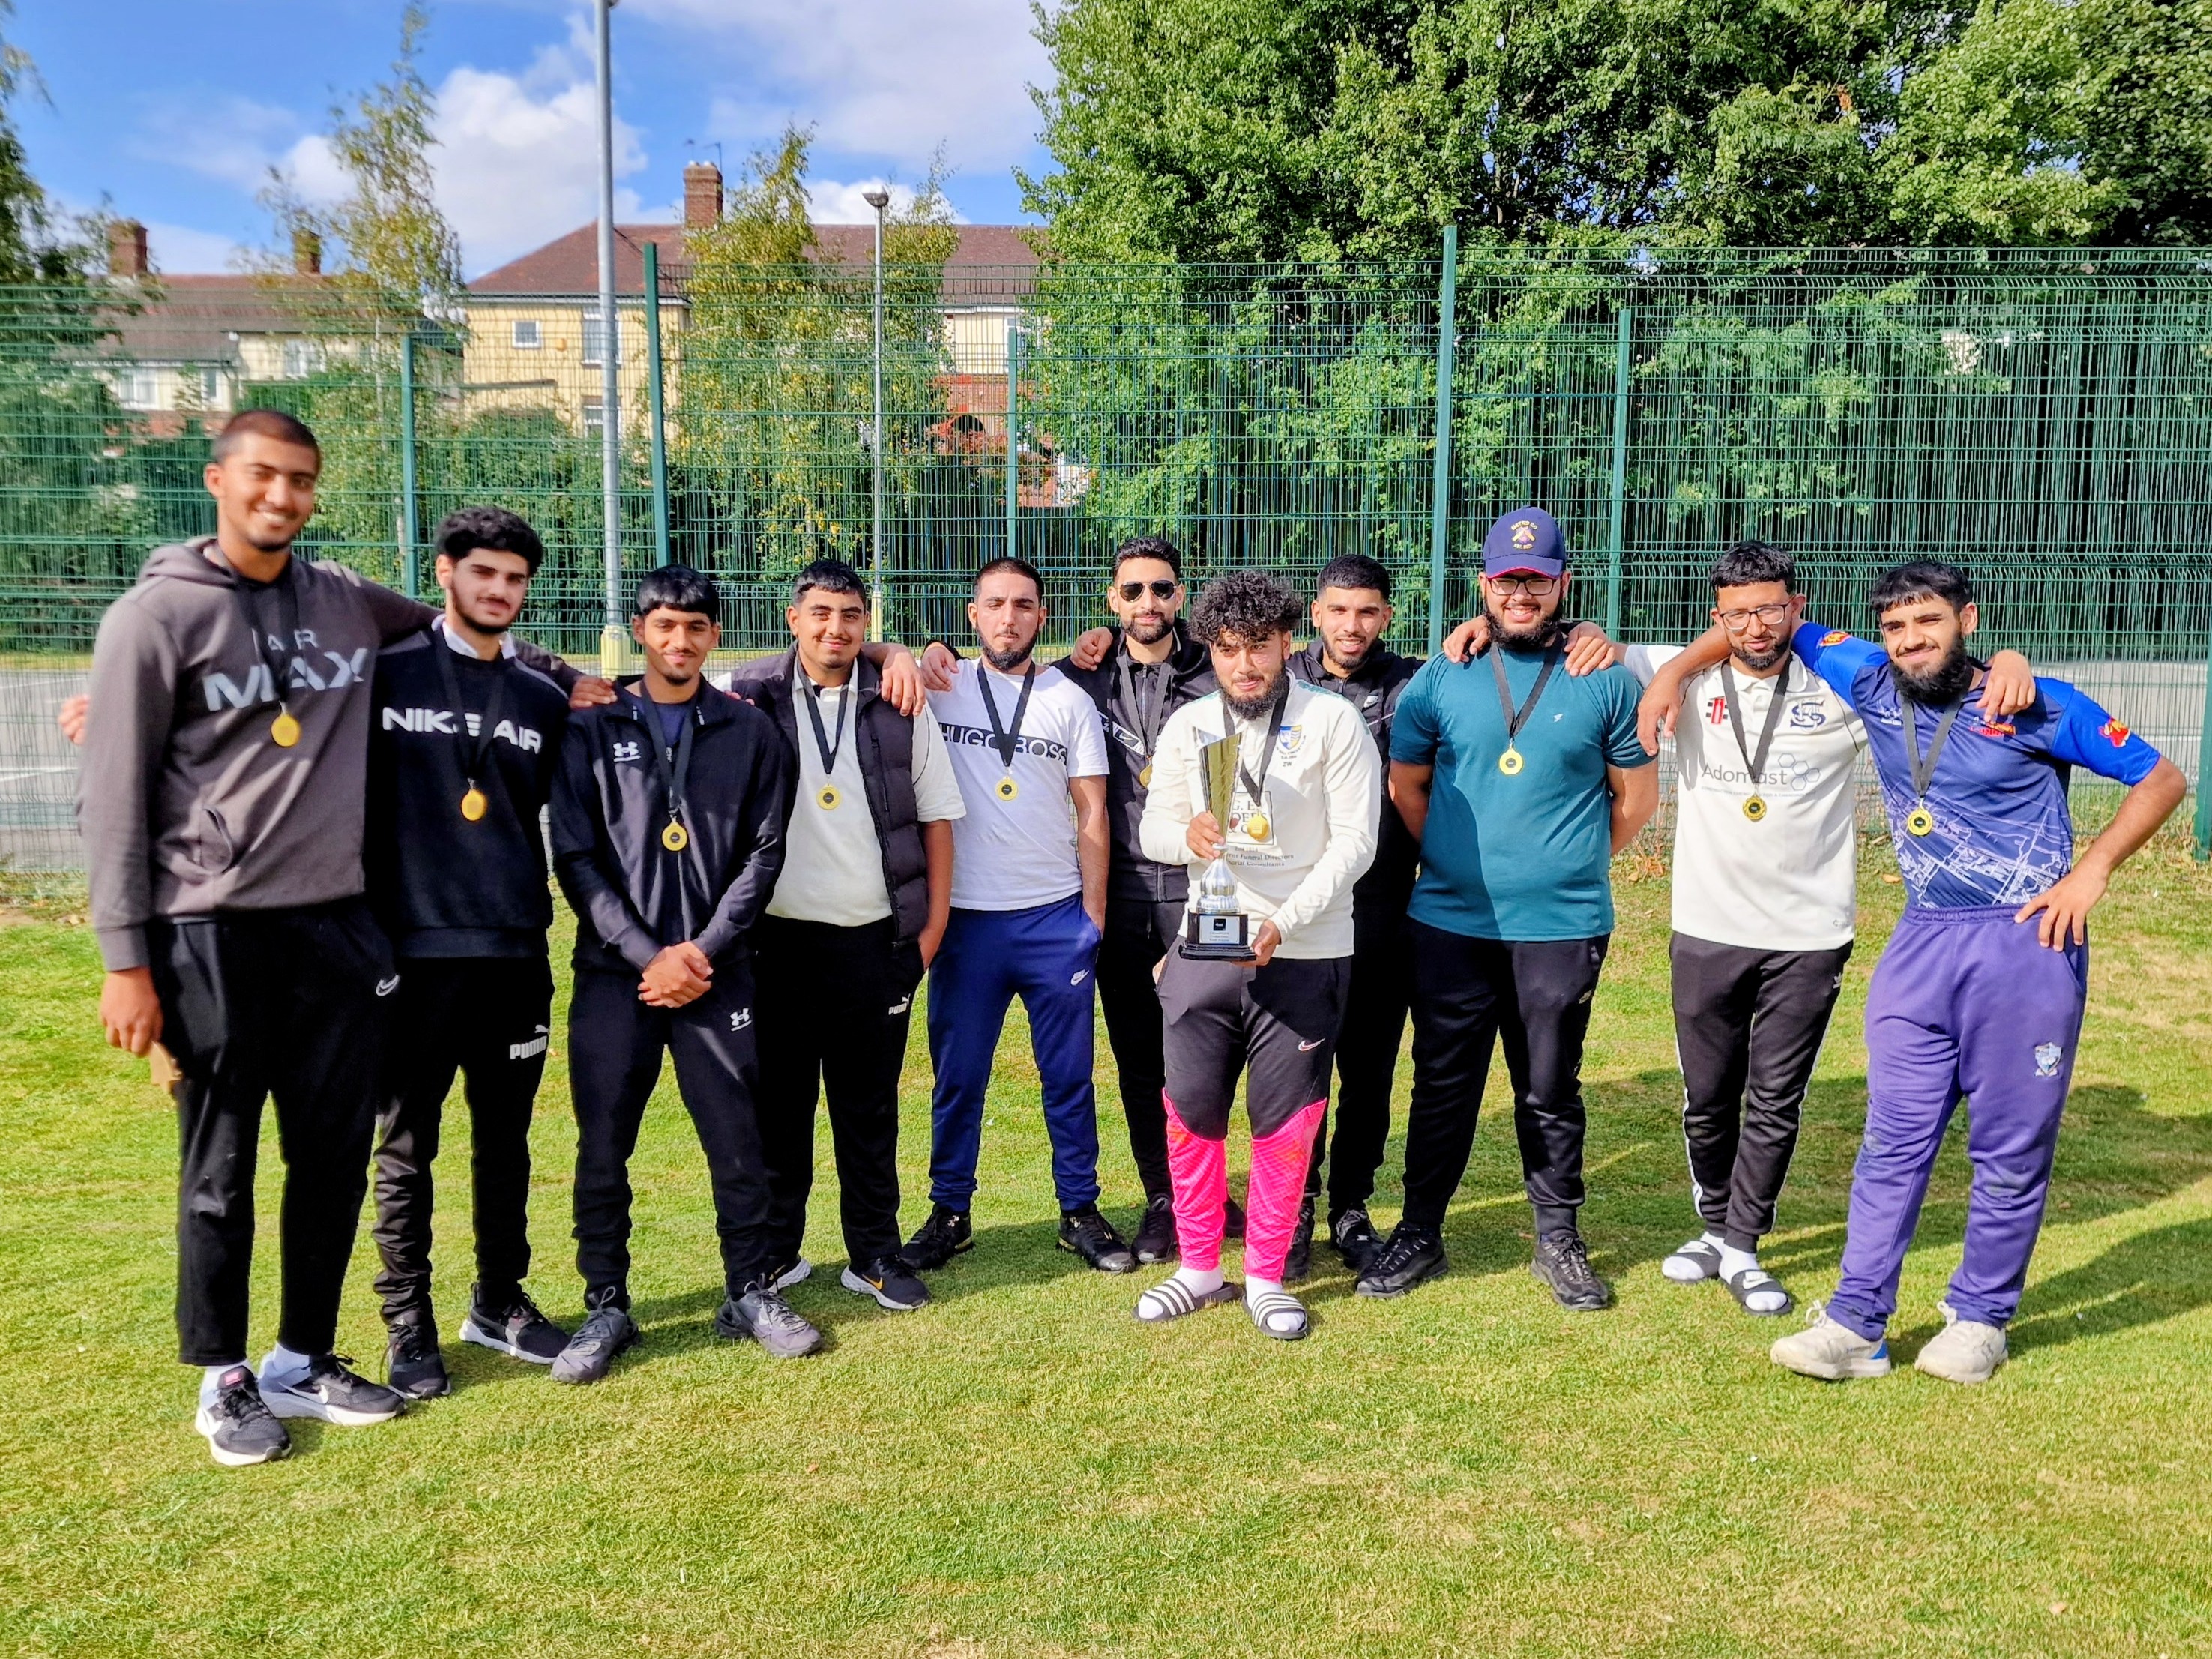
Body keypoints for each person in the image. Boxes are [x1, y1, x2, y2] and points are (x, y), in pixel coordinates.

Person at [76, 410, 602, 1466]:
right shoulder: (155, 615)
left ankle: (300, 1355)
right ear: (221, 478)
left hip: (339, 931)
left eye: (301, 480)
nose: (282, 495)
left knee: (328, 1161)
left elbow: (464, 626)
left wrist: (549, 662)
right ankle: (222, 1379)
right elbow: (116, 799)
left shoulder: (341, 598)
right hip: (210, 930)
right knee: (220, 1167)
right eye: (264, 476)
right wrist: (125, 963)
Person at [1647, 561, 2183, 1384]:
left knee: (2007, 1149)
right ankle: (1857, 1322)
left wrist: (2091, 870)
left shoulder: (2034, 702)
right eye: (1895, 628)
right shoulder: (1863, 673)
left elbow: (2160, 777)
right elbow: (1761, 621)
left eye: (1927, 624)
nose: (1909, 642)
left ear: (1963, 619)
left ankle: (1978, 1319)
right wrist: (1677, 671)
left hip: (2023, 945)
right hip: (1921, 944)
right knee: (1890, 1139)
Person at [1362, 507, 1657, 1312]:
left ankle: (1557, 1238)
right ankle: (1420, 1229)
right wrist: (1458, 860)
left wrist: (1567, 863)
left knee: (1548, 1083)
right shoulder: (1442, 673)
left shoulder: (1605, 673)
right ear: (1483, 585)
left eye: (1535, 578)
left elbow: (1635, 797)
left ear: (1562, 582)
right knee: (1442, 1082)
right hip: (1451, 921)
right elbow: (1407, 787)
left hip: (1561, 926)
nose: (1519, 592)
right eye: (1505, 579)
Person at [549, 565, 804, 1379]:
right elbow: (576, 855)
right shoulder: (592, 726)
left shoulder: (748, 729)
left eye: (696, 627)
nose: (681, 640)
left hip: (715, 972)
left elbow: (764, 855)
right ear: (641, 631)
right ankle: (605, 1304)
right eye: (665, 625)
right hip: (614, 973)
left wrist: (700, 950)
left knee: (737, 1141)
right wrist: (643, 952)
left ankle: (750, 1289)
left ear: (713, 635)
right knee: (603, 1144)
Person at [363, 508, 577, 1397]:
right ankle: (406, 1325)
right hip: (409, 954)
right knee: (406, 1146)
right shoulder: (383, 675)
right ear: (445, 572)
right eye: (484, 573)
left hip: (513, 949)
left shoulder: (539, 695)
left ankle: (499, 1298)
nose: (499, 591)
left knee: (508, 1137)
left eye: (515, 579)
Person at [1133, 572, 1379, 1340]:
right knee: (1190, 1111)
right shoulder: (1190, 726)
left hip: (1303, 946)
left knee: (1285, 1122)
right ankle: (1199, 1267)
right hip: (1207, 945)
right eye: (1229, 650)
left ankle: (1267, 1276)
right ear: (1211, 649)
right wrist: (1189, 837)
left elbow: (1355, 843)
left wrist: (1284, 920)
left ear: (1285, 642)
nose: (1244, 665)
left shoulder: (1333, 722)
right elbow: (1151, 833)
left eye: (1260, 647)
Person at [723, 559, 964, 1315]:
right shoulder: (747, 693)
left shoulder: (900, 698)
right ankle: (777, 1252)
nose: (835, 628)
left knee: (867, 1108)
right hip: (775, 942)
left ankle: (873, 1253)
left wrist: (930, 929)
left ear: (866, 623)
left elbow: (937, 819)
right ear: (792, 618)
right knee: (779, 1107)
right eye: (820, 613)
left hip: (874, 940)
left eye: (851, 616)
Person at [899, 556, 1136, 1276]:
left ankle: (1078, 1208)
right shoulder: (940, 685)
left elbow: (1093, 807)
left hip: (1053, 917)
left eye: (1024, 605)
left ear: (1041, 616)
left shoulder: (1067, 697)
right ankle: (950, 1211)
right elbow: (882, 669)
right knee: (959, 1075)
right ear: (973, 614)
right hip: (967, 922)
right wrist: (909, 652)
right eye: (995, 604)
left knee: (1067, 1075)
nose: (1009, 617)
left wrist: (1090, 912)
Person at [1047, 537, 1222, 1263]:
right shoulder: (1076, 679)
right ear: (1110, 600)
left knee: (1212, 1045)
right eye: (1132, 591)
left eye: (1161, 589)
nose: (1147, 603)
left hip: (1204, 887)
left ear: (1180, 596)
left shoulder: (1219, 671)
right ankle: (1165, 1197)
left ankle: (1207, 1190)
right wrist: (912, 650)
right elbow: (982, 674)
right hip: (1116, 893)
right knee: (1138, 1052)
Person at [1279, 554, 1423, 1278]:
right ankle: (1294, 1203)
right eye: (1339, 610)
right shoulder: (1281, 676)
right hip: (1300, 917)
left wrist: (1585, 626)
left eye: (1367, 611)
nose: (1352, 626)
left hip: (1383, 914)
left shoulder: (1416, 682)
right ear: (1315, 612)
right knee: (1298, 1072)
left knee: (1367, 1072)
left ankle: (1350, 1206)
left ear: (1386, 617)